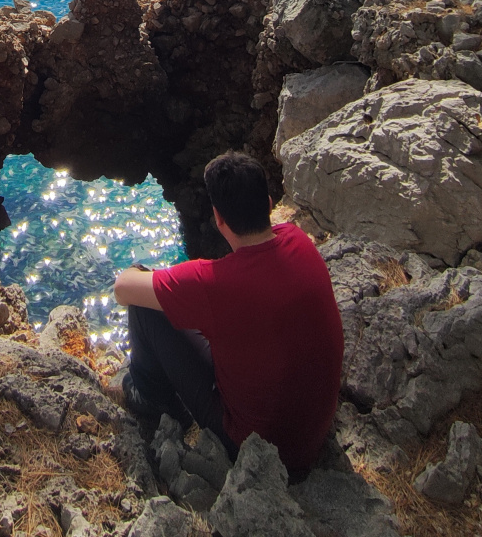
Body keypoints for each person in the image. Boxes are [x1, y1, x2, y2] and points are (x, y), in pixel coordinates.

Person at [114, 150, 344, 478]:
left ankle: (151, 400)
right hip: (311, 434)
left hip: (256, 447)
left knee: (145, 308)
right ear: (267, 205)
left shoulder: (214, 283)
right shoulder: (299, 240)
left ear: (218, 219)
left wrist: (144, 271)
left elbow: (123, 288)